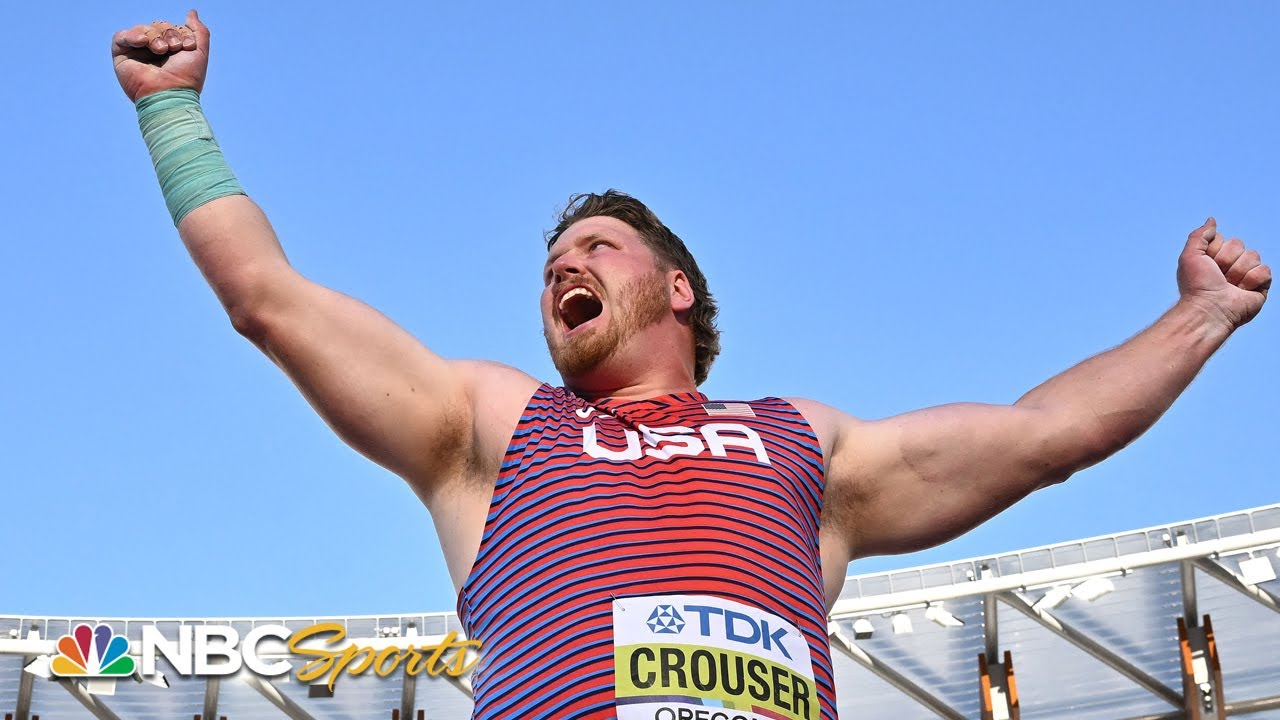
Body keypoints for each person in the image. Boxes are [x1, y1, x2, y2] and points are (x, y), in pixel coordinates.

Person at [112, 12, 1270, 720]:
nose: (561, 265)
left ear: (676, 288)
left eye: (594, 247)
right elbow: (265, 300)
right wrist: (174, 116)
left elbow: (1043, 436)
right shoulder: (492, 428)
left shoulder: (803, 444)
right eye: (550, 261)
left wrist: (1202, 315)